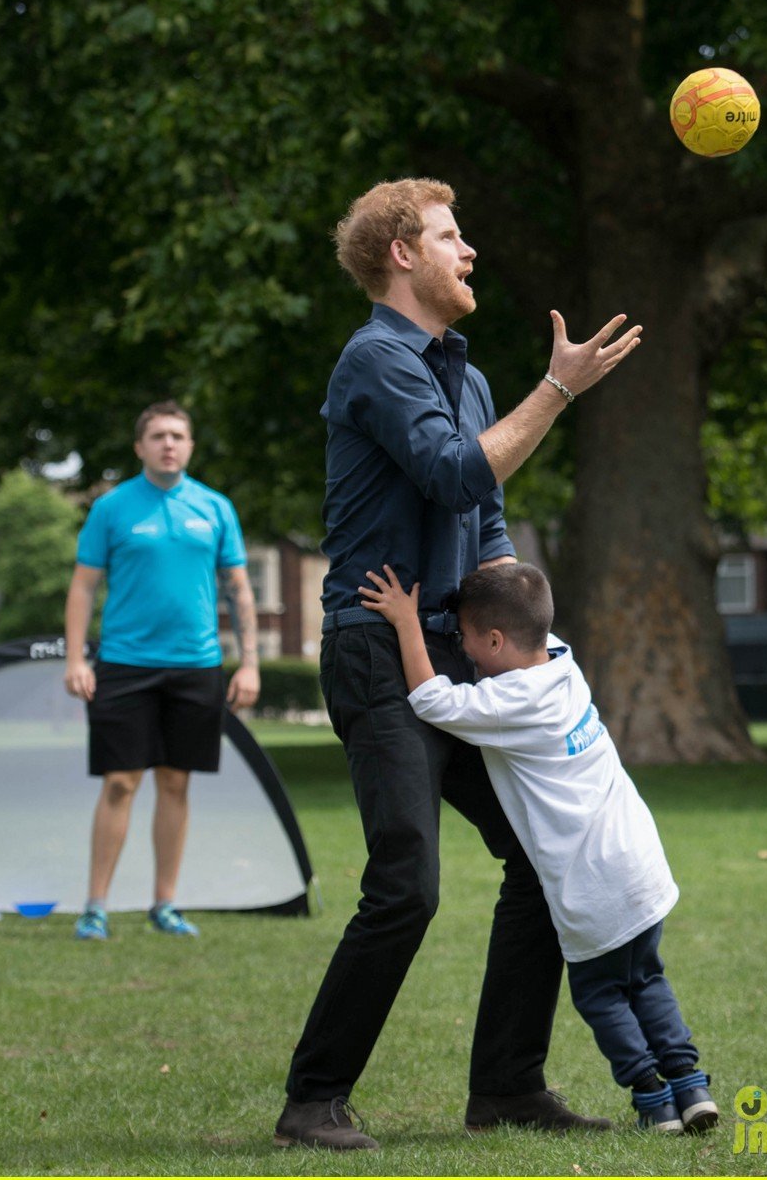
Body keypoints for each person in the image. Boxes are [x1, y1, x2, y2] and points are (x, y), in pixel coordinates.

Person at [274, 178, 642, 1151]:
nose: (469, 250)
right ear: (402, 254)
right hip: (377, 649)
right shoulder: (376, 359)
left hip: (463, 656)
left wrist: (523, 647)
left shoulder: (466, 377)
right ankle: (312, 1101)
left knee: (543, 859)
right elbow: (452, 473)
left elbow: (484, 519)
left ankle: (507, 1087)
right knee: (407, 885)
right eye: (449, 236)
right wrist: (558, 388)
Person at [360, 561, 719, 1136]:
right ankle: (691, 1086)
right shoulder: (563, 663)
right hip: (641, 866)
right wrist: (499, 568)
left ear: (494, 641)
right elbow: (526, 612)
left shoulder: (508, 702)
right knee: (647, 980)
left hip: (592, 885)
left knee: (602, 994)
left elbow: (430, 700)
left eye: (467, 638)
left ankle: (653, 1099)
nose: (464, 650)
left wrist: (406, 621)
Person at [64, 400, 260, 941]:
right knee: (120, 783)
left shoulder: (216, 508)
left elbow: (239, 589)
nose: (168, 444)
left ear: (190, 446)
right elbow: (83, 586)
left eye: (177, 435)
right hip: (124, 665)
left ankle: (164, 905)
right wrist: (76, 658)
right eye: (157, 436)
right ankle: (95, 908)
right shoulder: (111, 508)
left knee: (176, 784)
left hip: (197, 666)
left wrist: (249, 664)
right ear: (140, 447)